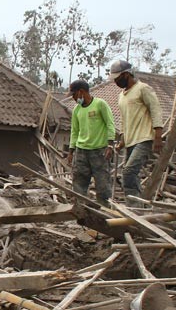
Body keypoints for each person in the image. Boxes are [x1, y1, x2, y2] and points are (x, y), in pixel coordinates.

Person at [108, 59, 164, 204]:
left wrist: (158, 135)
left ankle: (134, 207)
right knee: (128, 174)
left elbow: (156, 109)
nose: (115, 82)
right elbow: (124, 120)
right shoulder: (122, 96)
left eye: (117, 79)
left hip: (144, 138)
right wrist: (122, 141)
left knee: (128, 172)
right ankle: (137, 205)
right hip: (130, 140)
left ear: (126, 75)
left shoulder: (143, 89)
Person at [66, 79, 115, 206]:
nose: (73, 98)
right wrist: (71, 151)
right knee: (79, 182)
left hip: (99, 151)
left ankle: (105, 211)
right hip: (81, 151)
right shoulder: (77, 110)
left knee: (102, 183)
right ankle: (80, 209)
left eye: (74, 95)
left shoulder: (100, 104)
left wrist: (110, 145)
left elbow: (110, 124)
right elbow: (74, 132)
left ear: (81, 92)